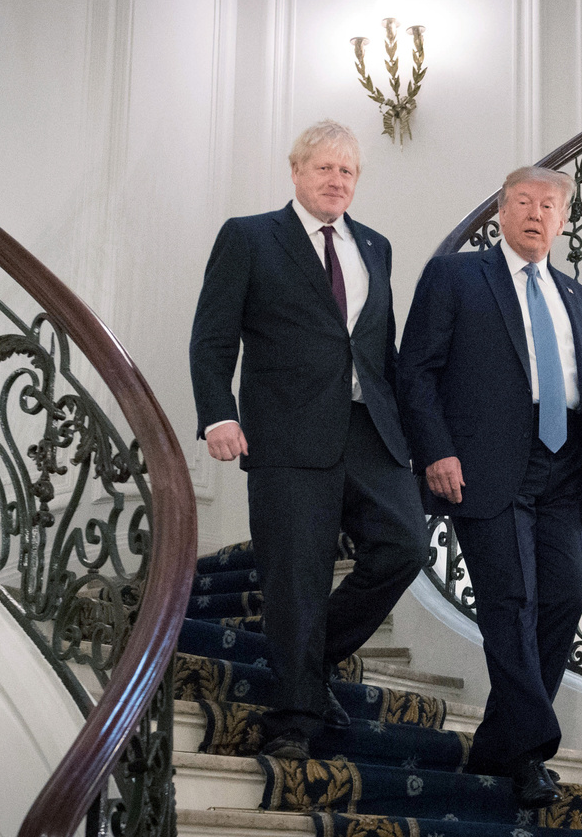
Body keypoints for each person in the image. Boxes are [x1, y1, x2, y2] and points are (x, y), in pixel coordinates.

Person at [396, 166, 582, 808]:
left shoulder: (577, 298)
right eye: (523, 202)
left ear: (564, 221)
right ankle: (531, 751)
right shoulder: (456, 276)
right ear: (501, 213)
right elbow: (415, 369)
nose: (536, 214)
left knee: (563, 596)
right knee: (511, 602)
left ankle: (501, 742)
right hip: (482, 466)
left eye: (550, 205)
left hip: (563, 470)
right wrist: (436, 452)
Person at [189, 120, 428, 760]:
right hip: (287, 431)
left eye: (347, 171)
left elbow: (382, 348)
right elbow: (213, 336)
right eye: (324, 168)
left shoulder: (374, 245)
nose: (336, 180)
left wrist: (417, 434)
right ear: (296, 172)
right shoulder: (249, 237)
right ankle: (297, 715)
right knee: (296, 576)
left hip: (369, 428)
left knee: (405, 544)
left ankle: (308, 657)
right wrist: (219, 414)